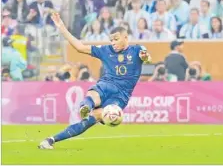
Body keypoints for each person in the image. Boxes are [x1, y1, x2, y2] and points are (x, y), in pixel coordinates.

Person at [38, 11, 151, 149]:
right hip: (106, 84)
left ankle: (52, 139)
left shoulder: (137, 50)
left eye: (116, 39)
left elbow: (146, 56)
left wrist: (145, 57)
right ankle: (85, 107)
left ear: (125, 37)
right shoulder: (106, 50)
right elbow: (80, 47)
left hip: (120, 96)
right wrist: (62, 28)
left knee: (90, 120)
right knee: (94, 95)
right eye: (111, 40)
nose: (113, 43)